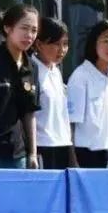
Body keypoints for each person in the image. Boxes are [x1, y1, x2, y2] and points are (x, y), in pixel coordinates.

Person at [0, 3, 41, 168]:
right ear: (8, 28)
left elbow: (29, 112)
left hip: (18, 154)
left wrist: (32, 153)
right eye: (24, 28)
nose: (29, 35)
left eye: (34, 30)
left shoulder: (32, 66)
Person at [67, 20, 108, 168]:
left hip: (104, 151)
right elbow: (71, 123)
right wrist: (73, 161)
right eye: (106, 41)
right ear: (94, 43)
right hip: (83, 152)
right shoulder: (81, 76)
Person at [32, 17, 72, 169]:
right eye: (56, 44)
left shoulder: (56, 71)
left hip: (62, 144)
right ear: (39, 44)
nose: (62, 50)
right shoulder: (31, 70)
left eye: (65, 44)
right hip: (42, 145)